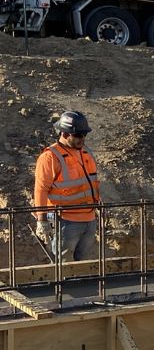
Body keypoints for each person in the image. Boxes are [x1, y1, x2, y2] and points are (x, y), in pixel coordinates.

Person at [34, 111, 101, 261]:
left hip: (89, 218)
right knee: (62, 265)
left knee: (82, 264)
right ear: (64, 134)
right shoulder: (50, 157)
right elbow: (41, 189)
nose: (82, 139)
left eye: (84, 135)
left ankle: (79, 285)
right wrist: (42, 220)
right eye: (78, 135)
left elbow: (92, 182)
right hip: (65, 221)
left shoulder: (85, 152)